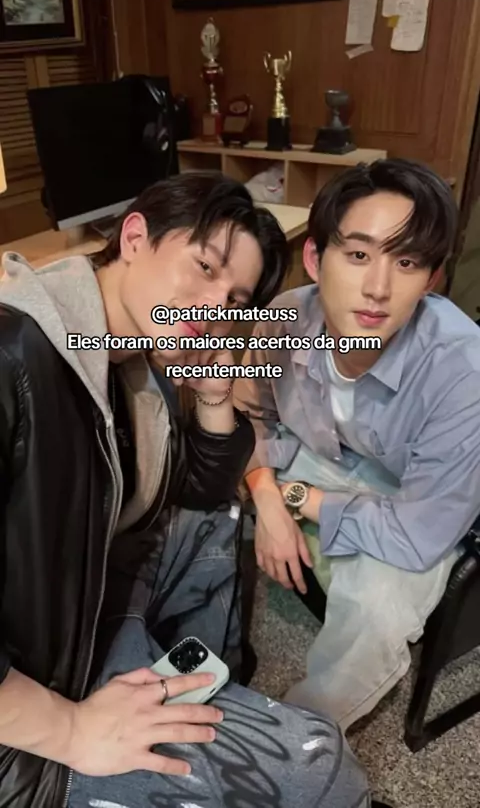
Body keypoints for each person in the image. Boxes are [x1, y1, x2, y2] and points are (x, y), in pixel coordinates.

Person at [0, 171, 371, 808]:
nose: (212, 308)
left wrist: (216, 393)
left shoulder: (122, 353)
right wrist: (72, 729)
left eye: (234, 300)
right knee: (325, 770)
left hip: (77, 612)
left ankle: (199, 682)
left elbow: (201, 492)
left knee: (216, 515)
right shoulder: (15, 356)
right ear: (135, 237)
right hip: (29, 715)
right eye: (204, 266)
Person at [234, 158, 480, 731]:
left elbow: (417, 533)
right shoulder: (285, 321)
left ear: (432, 280)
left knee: (378, 605)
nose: (378, 288)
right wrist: (265, 498)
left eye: (407, 262)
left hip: (413, 495)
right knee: (210, 468)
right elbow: (251, 415)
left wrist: (296, 499)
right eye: (359, 255)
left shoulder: (462, 370)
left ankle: (299, 740)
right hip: (322, 452)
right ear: (315, 259)